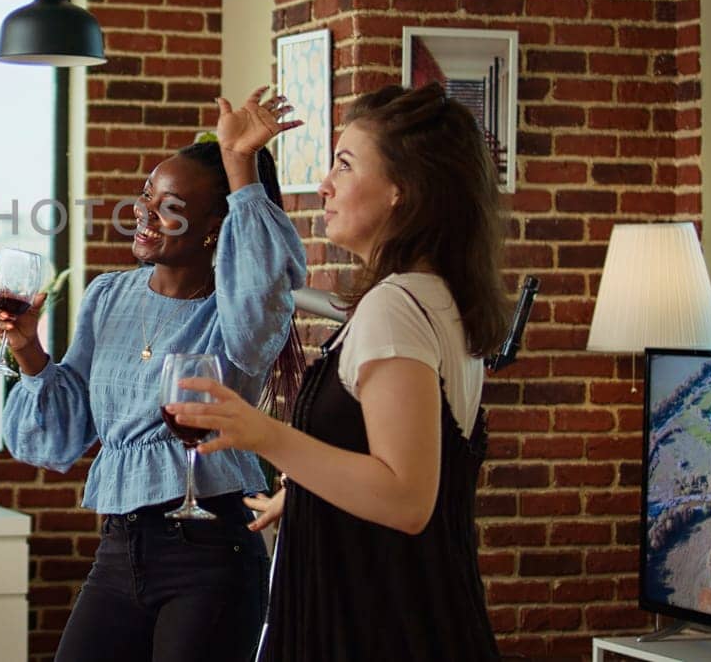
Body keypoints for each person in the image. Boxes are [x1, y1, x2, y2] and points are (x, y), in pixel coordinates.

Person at [168, 82, 507, 662]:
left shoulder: (396, 307)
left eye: (345, 166)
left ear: (404, 190)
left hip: (378, 626)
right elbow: (408, 459)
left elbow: (406, 497)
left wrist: (262, 434)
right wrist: (308, 493)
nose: (324, 184)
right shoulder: (435, 295)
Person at [0, 87, 307, 662]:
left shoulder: (235, 315)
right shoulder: (107, 295)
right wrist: (28, 348)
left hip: (210, 552)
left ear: (215, 226)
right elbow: (67, 429)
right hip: (120, 547)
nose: (143, 211)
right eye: (146, 195)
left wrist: (240, 164)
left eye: (169, 204)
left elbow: (263, 290)